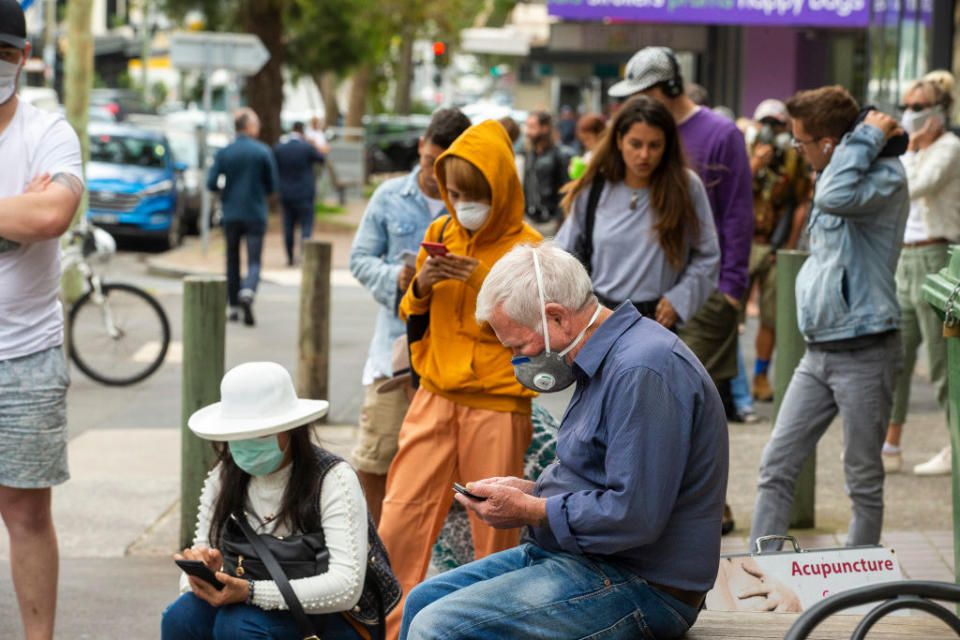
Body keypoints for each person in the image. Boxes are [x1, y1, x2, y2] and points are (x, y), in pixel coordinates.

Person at [398, 243, 729, 640]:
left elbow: (634, 514)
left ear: (556, 317)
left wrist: (534, 509)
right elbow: (599, 474)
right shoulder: (604, 358)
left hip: (645, 584)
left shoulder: (642, 368)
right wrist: (534, 490)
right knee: (421, 600)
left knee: (438, 627)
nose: (520, 360)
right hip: (591, 560)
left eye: (520, 347)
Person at [377, 119, 542, 640]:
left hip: (497, 404)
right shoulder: (439, 234)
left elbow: (541, 335)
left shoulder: (530, 251)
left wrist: (483, 291)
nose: (462, 202)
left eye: (474, 194)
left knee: (496, 531)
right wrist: (422, 285)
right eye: (454, 193)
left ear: (500, 188)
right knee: (400, 518)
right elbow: (414, 316)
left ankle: (497, 628)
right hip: (434, 395)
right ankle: (382, 628)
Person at [750, 86, 909, 552]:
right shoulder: (835, 169)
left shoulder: (883, 178)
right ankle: (764, 569)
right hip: (818, 351)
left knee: (862, 477)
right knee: (776, 464)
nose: (796, 151)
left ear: (829, 143)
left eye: (802, 142)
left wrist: (859, 141)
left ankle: (860, 590)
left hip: (866, 348)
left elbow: (836, 197)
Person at [609, 45, 753, 533]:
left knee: (688, 403)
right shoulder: (638, 135)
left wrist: (731, 289)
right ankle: (688, 507)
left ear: (662, 89)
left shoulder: (720, 133)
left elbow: (736, 215)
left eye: (639, 94)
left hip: (705, 294)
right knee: (655, 409)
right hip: (647, 298)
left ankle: (703, 508)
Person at [161, 362, 385, 640]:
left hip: (331, 619)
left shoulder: (333, 479)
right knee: (181, 618)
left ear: (290, 428)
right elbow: (201, 551)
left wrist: (251, 592)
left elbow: (346, 587)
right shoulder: (223, 476)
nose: (246, 442)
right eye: (237, 434)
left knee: (237, 627)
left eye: (260, 432)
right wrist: (205, 575)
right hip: (246, 605)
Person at [0, 4, 84, 637]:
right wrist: (15, 206)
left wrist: (35, 208)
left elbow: (51, 217)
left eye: (2, 56)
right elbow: (28, 214)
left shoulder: (48, 132)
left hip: (25, 355)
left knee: (26, 516)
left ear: (22, 58)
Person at [349, 107, 471, 523]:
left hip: (452, 354)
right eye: (428, 162)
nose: (435, 174)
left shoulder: (470, 206)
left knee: (444, 467)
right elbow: (360, 258)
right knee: (374, 456)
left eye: (445, 166)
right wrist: (397, 278)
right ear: (420, 147)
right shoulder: (388, 196)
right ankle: (373, 552)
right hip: (394, 350)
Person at [555, 95, 719, 330]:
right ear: (619, 140)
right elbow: (564, 252)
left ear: (667, 145)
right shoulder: (595, 187)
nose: (644, 155)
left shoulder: (685, 186)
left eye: (654, 145)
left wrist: (679, 300)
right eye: (635, 144)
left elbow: (708, 254)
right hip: (598, 317)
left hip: (655, 321)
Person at [882, 76, 960, 476]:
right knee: (897, 356)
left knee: (943, 361)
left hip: (936, 256)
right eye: (906, 105)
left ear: (938, 111)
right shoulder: (910, 151)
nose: (910, 113)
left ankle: (955, 446)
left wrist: (909, 149)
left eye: (918, 106)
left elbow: (911, 187)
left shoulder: (950, 148)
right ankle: (890, 444)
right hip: (904, 258)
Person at [744, 99, 811, 402]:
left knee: (770, 317)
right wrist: (756, 163)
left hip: (774, 245)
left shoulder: (794, 161)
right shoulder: (746, 154)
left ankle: (760, 375)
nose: (772, 131)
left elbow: (800, 204)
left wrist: (787, 246)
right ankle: (730, 383)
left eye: (778, 125)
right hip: (744, 244)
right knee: (728, 315)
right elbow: (732, 194)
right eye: (766, 124)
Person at [207, 107, 279, 327]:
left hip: (231, 213)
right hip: (255, 212)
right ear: (249, 127)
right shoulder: (262, 152)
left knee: (232, 260)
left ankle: (234, 307)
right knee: (254, 259)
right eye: (256, 124)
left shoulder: (225, 152)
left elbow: (211, 183)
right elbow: (273, 185)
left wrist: (226, 193)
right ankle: (247, 291)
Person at [274, 122, 326, 266]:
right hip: (305, 193)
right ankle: (304, 255)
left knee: (288, 226)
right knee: (306, 226)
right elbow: (322, 158)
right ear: (302, 132)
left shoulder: (280, 148)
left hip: (286, 193)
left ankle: (290, 257)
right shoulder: (306, 147)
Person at [522, 111, 570, 229]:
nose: (528, 132)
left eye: (532, 127)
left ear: (545, 128)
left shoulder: (560, 154)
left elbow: (566, 189)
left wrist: (559, 218)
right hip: (529, 220)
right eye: (527, 127)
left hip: (551, 222)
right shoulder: (529, 154)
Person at [567, 113, 605, 179]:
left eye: (588, 139)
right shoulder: (589, 154)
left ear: (600, 134)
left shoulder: (610, 154)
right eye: (583, 141)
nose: (586, 144)